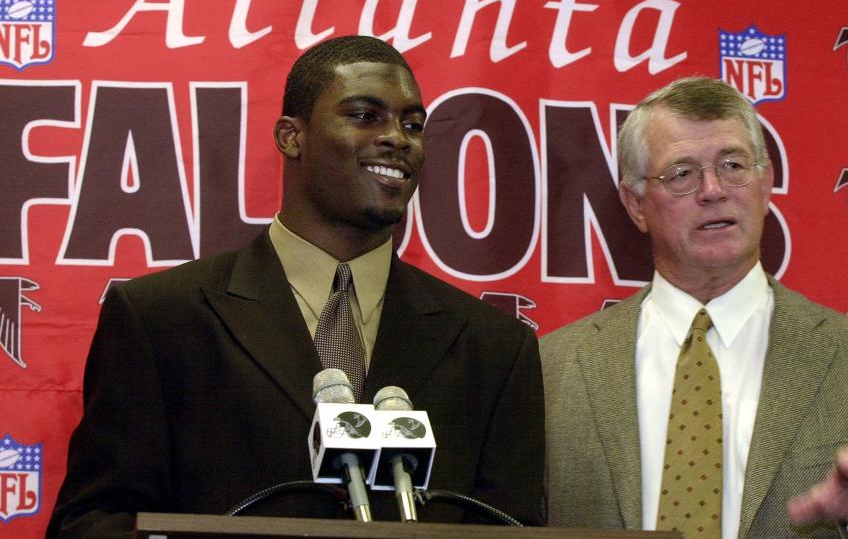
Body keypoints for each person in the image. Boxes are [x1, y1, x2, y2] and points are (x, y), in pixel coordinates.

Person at [48, 35, 544, 537]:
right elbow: (93, 522)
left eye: (413, 124)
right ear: (291, 136)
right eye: (365, 116)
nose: (399, 138)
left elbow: (511, 526)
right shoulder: (162, 318)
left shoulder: (496, 346)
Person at [540, 77, 848, 538]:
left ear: (766, 184)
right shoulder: (553, 367)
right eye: (682, 173)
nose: (713, 190)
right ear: (636, 204)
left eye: (733, 165)